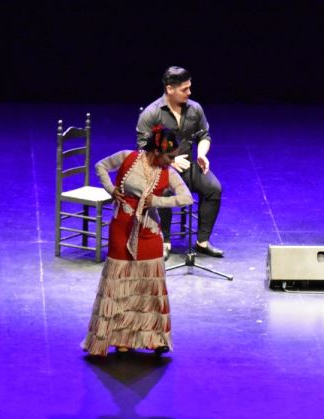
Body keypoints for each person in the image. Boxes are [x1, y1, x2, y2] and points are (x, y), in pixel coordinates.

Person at [81, 126, 193, 357]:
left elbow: (186, 197)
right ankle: (121, 337)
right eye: (170, 156)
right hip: (122, 226)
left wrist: (157, 202)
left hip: (148, 231)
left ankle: (153, 337)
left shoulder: (168, 173)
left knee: (149, 286)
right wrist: (111, 189)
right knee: (121, 284)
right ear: (157, 151)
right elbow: (100, 166)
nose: (172, 161)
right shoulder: (127, 157)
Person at [137, 66, 224, 260]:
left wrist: (202, 153)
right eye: (184, 89)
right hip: (159, 168)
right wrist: (169, 160)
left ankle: (202, 242)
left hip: (186, 167)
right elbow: (143, 149)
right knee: (164, 191)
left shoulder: (195, 109)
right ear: (170, 89)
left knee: (214, 189)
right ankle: (164, 241)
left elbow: (205, 135)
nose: (189, 92)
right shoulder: (151, 113)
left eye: (189, 87)